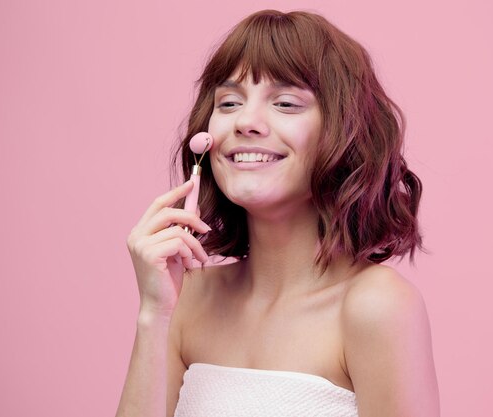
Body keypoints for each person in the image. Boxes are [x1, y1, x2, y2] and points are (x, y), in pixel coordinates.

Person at [116, 9, 440, 417]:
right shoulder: (188, 297)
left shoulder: (377, 306)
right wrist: (153, 314)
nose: (246, 122)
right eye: (229, 102)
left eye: (286, 103)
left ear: (344, 132)